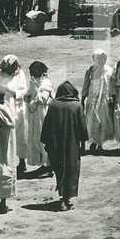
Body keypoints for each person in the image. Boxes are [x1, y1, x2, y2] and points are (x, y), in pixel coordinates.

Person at [41, 81, 88, 211]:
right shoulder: (77, 106)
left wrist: (46, 143)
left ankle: (62, 197)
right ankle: (66, 199)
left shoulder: (53, 105)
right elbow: (82, 128)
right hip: (72, 145)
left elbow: (47, 125)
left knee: (60, 169)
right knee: (72, 170)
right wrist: (83, 144)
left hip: (55, 145)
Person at [0, 54, 28, 173]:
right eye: (13, 65)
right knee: (7, 134)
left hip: (18, 107)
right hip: (6, 106)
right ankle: (7, 162)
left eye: (17, 65)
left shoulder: (20, 74)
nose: (16, 67)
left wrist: (15, 93)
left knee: (20, 134)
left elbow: (24, 90)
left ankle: (22, 161)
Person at [81, 50, 114, 155]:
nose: (102, 61)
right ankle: (94, 142)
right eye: (100, 58)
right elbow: (85, 85)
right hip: (93, 100)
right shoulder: (90, 71)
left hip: (104, 100)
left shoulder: (109, 70)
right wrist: (82, 99)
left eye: (104, 58)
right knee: (94, 121)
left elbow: (112, 85)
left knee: (103, 121)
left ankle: (100, 145)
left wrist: (112, 97)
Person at [24, 61, 54, 173]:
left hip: (43, 114)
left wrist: (36, 88)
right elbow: (28, 96)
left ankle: (49, 165)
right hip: (34, 114)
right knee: (36, 137)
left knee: (44, 138)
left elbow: (43, 99)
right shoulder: (32, 82)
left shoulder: (47, 84)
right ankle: (43, 163)